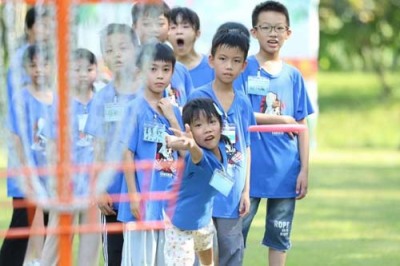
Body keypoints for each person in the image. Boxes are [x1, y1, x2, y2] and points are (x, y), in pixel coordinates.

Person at [238, 2, 314, 266]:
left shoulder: (294, 76)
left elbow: (302, 125)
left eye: (279, 28)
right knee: (235, 235)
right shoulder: (243, 69)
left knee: (279, 237)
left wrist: (304, 168)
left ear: (288, 33)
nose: (273, 33)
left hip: (285, 171)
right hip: (248, 170)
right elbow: (239, 112)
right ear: (254, 32)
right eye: (266, 27)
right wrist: (279, 118)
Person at [188, 24, 255, 266]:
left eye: (236, 61)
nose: (229, 66)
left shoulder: (244, 104)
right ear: (211, 60)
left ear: (244, 66)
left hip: (232, 195)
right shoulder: (197, 96)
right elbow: (188, 143)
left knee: (232, 251)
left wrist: (246, 191)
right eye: (223, 59)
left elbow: (246, 148)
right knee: (201, 253)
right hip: (201, 192)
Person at [117, 42, 183, 266]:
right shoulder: (133, 108)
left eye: (166, 70)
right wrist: (133, 195)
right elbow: (126, 153)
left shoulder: (174, 110)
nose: (159, 76)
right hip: (142, 202)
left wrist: (172, 118)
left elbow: (185, 151)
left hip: (170, 204)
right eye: (153, 69)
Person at [84, 23, 140, 266]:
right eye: (109, 50)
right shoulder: (101, 99)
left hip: (148, 195)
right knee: (115, 259)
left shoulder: (150, 94)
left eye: (123, 48)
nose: (116, 55)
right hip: (114, 198)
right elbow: (97, 148)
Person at [40, 48, 101, 266]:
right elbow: (51, 144)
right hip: (68, 182)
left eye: (88, 69)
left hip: (94, 182)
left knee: (90, 240)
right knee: (58, 237)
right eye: (76, 69)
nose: (83, 74)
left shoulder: (101, 101)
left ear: (96, 71)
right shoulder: (61, 103)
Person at [0, 44, 54, 266]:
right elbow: (16, 137)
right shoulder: (21, 98)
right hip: (25, 178)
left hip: (50, 177)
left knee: (49, 226)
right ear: (26, 68)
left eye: (44, 65)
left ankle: (39, 261)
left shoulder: (56, 98)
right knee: (22, 226)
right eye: (33, 66)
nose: (39, 70)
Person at [164, 98, 231, 266]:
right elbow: (195, 153)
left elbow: (223, 182)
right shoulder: (200, 155)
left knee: (208, 262)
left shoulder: (222, 145)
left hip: (202, 219)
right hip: (178, 220)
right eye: (198, 125)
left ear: (221, 124)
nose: (207, 129)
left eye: (211, 122)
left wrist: (174, 121)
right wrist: (190, 145)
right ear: (191, 132)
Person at [131, 1, 194, 108]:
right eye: (147, 24)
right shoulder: (128, 69)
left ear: (169, 27)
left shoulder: (180, 70)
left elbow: (191, 109)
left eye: (160, 24)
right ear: (134, 27)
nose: (154, 29)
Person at [168, 7, 214, 88]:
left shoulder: (212, 66)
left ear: (197, 33)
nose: (179, 32)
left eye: (185, 26)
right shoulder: (161, 69)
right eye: (173, 27)